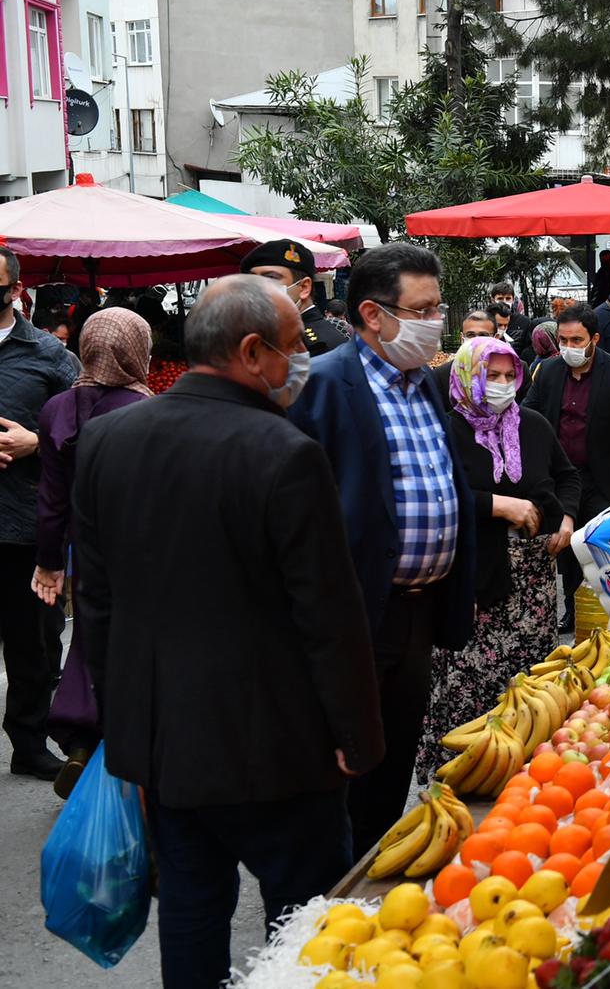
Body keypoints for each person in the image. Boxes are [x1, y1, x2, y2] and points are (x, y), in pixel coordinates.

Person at [74, 275, 384, 988]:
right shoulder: (285, 453)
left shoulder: (107, 440)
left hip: (164, 749)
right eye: (290, 348)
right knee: (305, 927)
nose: (299, 361)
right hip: (279, 750)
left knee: (191, 913)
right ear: (250, 352)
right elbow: (327, 617)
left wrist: (127, 732)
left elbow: (98, 606)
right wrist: (357, 741)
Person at [287, 242, 477, 858]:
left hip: (417, 612)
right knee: (341, 762)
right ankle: (319, 898)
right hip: (355, 614)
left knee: (393, 757)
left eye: (437, 307)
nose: (435, 322)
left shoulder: (424, 384)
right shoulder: (321, 386)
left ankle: (369, 873)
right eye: (422, 309)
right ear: (373, 314)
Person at [415, 337, 580, 782]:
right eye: (493, 375)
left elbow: (566, 477)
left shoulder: (533, 424)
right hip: (474, 575)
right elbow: (435, 497)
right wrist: (497, 505)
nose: (503, 385)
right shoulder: (444, 430)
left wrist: (565, 519)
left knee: (527, 686)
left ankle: (522, 771)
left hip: (534, 581)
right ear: (468, 377)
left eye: (510, 376)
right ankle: (468, 773)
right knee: (471, 682)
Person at [31, 308, 153, 797]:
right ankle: (126, 749)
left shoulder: (57, 409)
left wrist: (49, 562)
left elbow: (51, 499)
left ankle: (82, 739)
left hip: (87, 549)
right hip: (143, 549)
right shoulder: (147, 409)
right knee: (142, 646)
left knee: (87, 641)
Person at [0, 245, 79, 782]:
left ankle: (28, 741)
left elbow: (86, 426)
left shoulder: (49, 357)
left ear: (14, 290)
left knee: (34, 645)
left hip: (24, 527)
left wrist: (37, 441)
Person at [523, 306, 610, 632]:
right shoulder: (548, 371)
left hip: (603, 479)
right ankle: (574, 610)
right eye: (563, 340)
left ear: (594, 338)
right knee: (566, 548)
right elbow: (528, 415)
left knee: (602, 549)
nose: (569, 347)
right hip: (562, 480)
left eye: (576, 340)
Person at [241, 238, 347, 358]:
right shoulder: (264, 334)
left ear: (304, 287)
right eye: (253, 280)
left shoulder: (321, 346)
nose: (259, 287)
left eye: (271, 278)